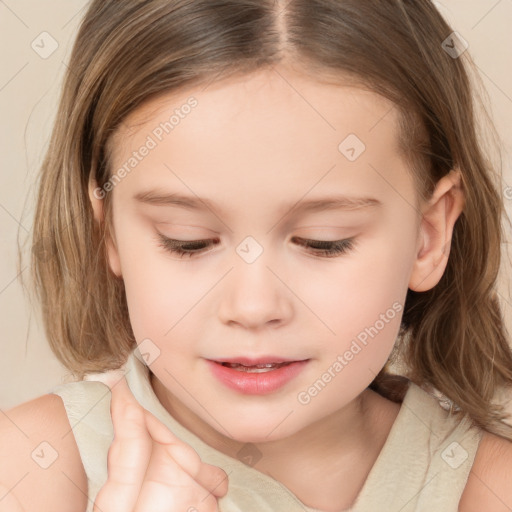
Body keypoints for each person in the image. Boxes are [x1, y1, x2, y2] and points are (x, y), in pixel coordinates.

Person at [2, 0, 512, 511]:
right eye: (188, 240)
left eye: (323, 241)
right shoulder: (28, 468)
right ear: (108, 233)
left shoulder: (489, 486)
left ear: (429, 236)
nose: (252, 306)